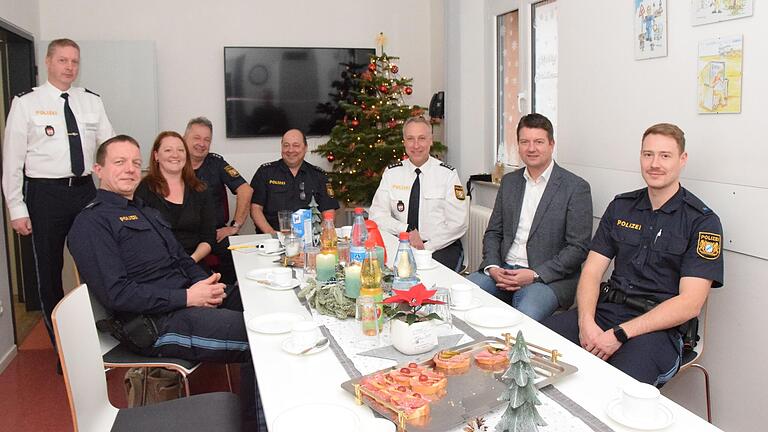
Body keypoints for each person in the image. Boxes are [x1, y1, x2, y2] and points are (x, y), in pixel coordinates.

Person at [68, 135, 263, 428]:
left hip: (186, 299)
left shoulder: (144, 212)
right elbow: (118, 294)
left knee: (264, 306)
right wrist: (189, 298)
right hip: (154, 323)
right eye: (119, 162)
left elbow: (182, 261)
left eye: (135, 162)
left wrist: (206, 286)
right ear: (98, 170)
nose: (130, 169)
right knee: (260, 340)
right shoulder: (91, 223)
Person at [543, 123, 724, 387]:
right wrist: (586, 322)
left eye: (665, 155)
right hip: (605, 312)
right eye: (648, 154)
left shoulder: (702, 222)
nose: (654, 163)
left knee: (613, 388)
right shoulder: (621, 207)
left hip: (658, 331)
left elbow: (690, 303)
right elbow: (592, 272)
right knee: (534, 349)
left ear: (682, 160)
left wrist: (620, 334)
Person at [1, 38, 114, 351]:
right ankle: (62, 347)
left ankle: (101, 335)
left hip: (85, 192)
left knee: (97, 262)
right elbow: (12, 161)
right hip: (45, 194)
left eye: (75, 61)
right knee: (49, 272)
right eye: (63, 60)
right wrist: (16, 207)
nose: (69, 67)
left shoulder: (91, 101)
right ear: (48, 62)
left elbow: (109, 148)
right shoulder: (26, 103)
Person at [466, 113, 593, 321]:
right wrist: (492, 266)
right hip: (502, 271)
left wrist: (534, 274)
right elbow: (493, 233)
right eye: (525, 142)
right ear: (518, 145)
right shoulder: (510, 182)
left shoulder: (575, 188)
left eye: (539, 142)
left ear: (551, 144)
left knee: (525, 317)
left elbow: (577, 248)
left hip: (547, 279)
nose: (531, 148)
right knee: (463, 297)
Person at [369, 116, 468, 271]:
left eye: (422, 138)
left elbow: (459, 223)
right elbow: (376, 216)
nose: (416, 145)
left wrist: (426, 247)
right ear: (404, 142)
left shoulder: (448, 175)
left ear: (430, 141)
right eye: (410, 139)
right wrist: (406, 229)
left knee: (430, 280)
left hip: (440, 246)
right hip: (401, 243)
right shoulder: (391, 173)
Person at [184, 117, 252, 284]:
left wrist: (235, 226)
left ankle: (227, 292)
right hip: (185, 235)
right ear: (184, 138)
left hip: (216, 234)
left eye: (207, 139)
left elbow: (245, 189)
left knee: (241, 254)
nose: (202, 143)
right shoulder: (174, 162)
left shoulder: (216, 163)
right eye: (197, 138)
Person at [135, 131, 216, 265]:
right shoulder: (144, 190)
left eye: (180, 150)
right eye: (168, 150)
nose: (175, 155)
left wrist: (190, 261)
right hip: (157, 265)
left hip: (194, 261)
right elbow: (139, 239)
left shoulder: (201, 189)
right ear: (156, 156)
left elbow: (208, 237)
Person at [250, 128, 339, 233]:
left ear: (305, 148)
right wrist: (272, 234)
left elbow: (329, 211)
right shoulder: (265, 172)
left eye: (296, 145)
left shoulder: (318, 176)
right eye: (286, 145)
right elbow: (255, 208)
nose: (290, 150)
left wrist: (319, 236)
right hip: (271, 240)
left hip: (309, 242)